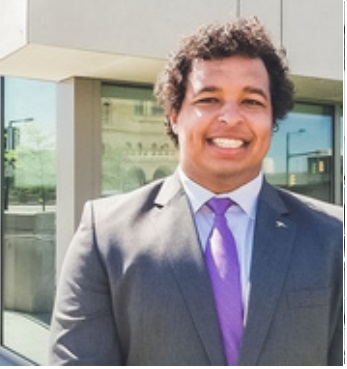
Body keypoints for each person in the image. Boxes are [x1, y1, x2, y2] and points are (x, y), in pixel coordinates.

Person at [49, 17, 342, 366]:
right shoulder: (106, 236)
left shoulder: (333, 236)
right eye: (209, 98)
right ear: (174, 114)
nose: (231, 117)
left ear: (272, 118)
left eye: (252, 102)